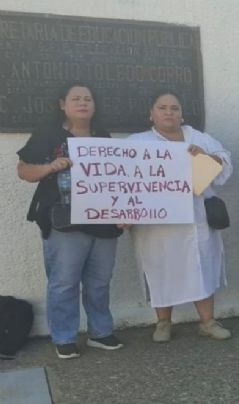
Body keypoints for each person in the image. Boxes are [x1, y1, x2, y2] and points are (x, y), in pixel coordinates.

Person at [17, 82, 124, 359]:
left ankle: (101, 332)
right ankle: (64, 337)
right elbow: (24, 170)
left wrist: (125, 212)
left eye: (88, 98)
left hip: (103, 220)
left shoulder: (103, 136)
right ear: (62, 104)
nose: (83, 103)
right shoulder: (48, 135)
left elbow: (118, 180)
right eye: (76, 98)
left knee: (100, 280)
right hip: (64, 220)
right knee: (64, 280)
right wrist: (50, 167)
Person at [129, 90, 233, 342]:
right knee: (161, 268)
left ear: (181, 114)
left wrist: (205, 157)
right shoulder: (137, 142)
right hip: (158, 226)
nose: (168, 112)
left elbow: (225, 163)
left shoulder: (197, 137)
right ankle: (163, 323)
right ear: (151, 114)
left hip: (196, 218)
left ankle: (207, 322)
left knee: (201, 266)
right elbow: (125, 182)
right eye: (162, 107)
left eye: (174, 108)